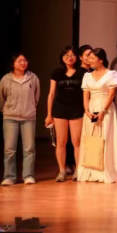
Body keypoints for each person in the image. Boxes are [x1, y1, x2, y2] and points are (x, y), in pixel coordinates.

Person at [79, 48, 117, 184]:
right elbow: (86, 95)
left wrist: (103, 111)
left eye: (92, 58)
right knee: (91, 139)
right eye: (88, 58)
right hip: (91, 109)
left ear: (101, 59)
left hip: (106, 110)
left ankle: (105, 170)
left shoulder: (111, 74)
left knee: (105, 137)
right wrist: (86, 111)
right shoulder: (87, 76)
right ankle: (90, 169)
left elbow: (111, 95)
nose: (89, 60)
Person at [0, 53, 40, 185]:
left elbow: (36, 97)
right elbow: (1, 99)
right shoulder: (6, 79)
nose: (23, 63)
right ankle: (9, 176)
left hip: (28, 117)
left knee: (29, 149)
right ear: (13, 64)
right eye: (19, 61)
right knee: (9, 149)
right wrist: (7, 110)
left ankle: (28, 175)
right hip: (10, 117)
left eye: (24, 60)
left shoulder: (33, 78)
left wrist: (30, 108)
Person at [45, 47, 83, 182]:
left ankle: (78, 170)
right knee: (61, 142)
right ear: (62, 58)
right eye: (66, 55)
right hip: (60, 109)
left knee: (77, 141)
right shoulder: (57, 72)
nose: (69, 57)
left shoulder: (82, 72)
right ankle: (62, 171)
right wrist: (49, 114)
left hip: (77, 109)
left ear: (77, 57)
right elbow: (51, 94)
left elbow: (86, 93)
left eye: (72, 55)